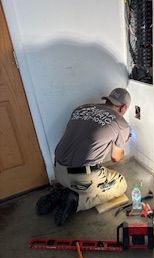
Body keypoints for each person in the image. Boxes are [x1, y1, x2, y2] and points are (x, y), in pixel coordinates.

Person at [36, 88, 131, 226]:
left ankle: (61, 192)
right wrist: (122, 140)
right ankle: (76, 201)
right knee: (120, 184)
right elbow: (116, 158)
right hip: (81, 178)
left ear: (108, 99)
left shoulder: (81, 108)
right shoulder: (121, 123)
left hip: (58, 169)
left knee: (90, 167)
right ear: (123, 107)